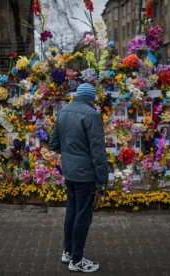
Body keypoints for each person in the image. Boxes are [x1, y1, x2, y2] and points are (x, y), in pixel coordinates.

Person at [49, 82, 108, 273]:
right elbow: (97, 151)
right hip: (85, 174)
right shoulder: (92, 115)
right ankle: (77, 259)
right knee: (83, 215)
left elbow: (53, 144)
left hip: (70, 171)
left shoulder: (64, 111)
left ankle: (68, 252)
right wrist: (103, 179)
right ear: (91, 98)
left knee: (72, 211)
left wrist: (70, 153)